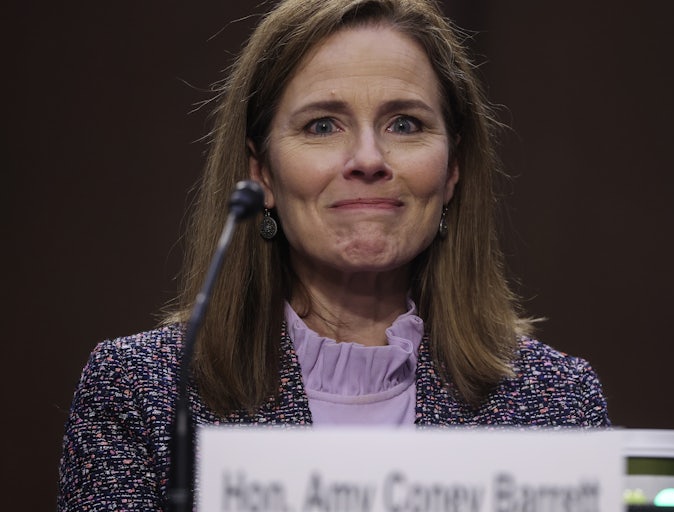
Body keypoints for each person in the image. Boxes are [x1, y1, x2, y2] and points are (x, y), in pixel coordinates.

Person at [58, 0, 610, 509]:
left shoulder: (556, 402)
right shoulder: (145, 391)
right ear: (262, 173)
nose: (368, 159)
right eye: (323, 125)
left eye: (405, 124)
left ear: (452, 172)